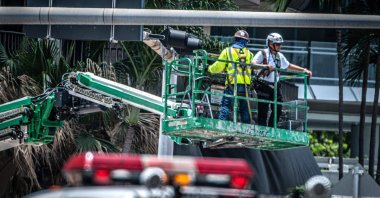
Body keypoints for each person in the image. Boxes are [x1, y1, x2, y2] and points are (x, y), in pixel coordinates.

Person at [253, 33, 312, 127]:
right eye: (277, 44)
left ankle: (272, 128)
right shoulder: (263, 53)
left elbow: (288, 65)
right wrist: (265, 66)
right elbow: (253, 63)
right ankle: (262, 130)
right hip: (263, 86)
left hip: (275, 86)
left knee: (278, 108)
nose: (279, 46)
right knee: (263, 110)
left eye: (280, 44)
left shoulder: (279, 56)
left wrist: (303, 70)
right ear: (270, 44)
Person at [208, 30, 260, 124]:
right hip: (245, 86)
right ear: (246, 41)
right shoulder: (250, 54)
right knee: (244, 108)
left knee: (226, 105)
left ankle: (222, 125)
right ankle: (246, 128)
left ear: (235, 39)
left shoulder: (227, 51)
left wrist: (209, 69)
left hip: (232, 84)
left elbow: (218, 67)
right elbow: (253, 70)